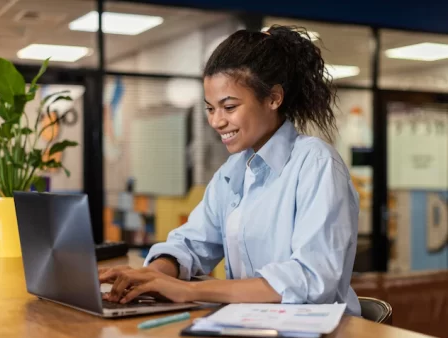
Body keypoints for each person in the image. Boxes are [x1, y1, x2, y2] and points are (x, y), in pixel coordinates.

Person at [99, 25, 361, 316]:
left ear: (274, 98)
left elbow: (311, 279)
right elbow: (192, 242)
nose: (217, 121)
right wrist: (155, 275)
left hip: (322, 336)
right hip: (252, 325)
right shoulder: (233, 171)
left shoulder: (316, 164)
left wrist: (189, 290)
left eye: (229, 107)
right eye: (210, 108)